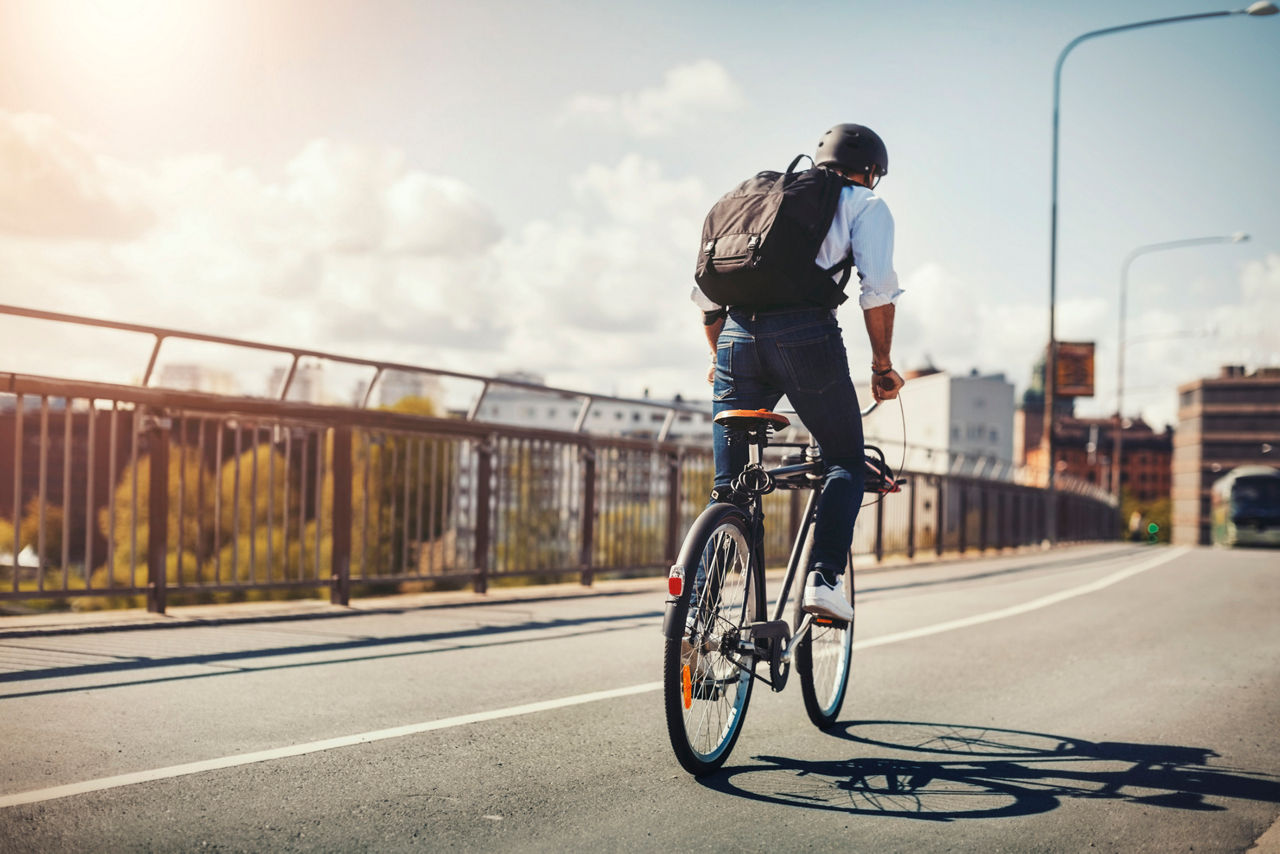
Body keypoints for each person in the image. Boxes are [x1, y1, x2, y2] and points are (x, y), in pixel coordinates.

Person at [691, 123, 904, 623]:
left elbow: (707, 300)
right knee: (845, 461)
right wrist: (882, 367)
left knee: (730, 488)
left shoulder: (756, 201)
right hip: (806, 338)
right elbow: (877, 291)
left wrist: (716, 357)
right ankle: (824, 580)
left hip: (737, 339)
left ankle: (696, 611)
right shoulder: (865, 205)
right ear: (871, 171)